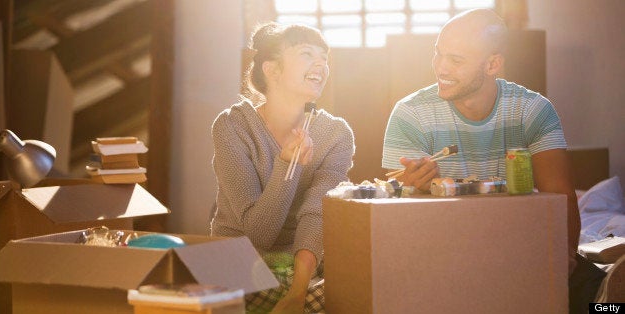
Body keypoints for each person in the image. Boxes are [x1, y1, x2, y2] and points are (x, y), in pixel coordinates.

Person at [382, 9, 604, 313]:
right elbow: (394, 214)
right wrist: (406, 191)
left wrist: (560, 264)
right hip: (444, 252)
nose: (440, 68)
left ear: (493, 64)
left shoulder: (533, 110)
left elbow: (561, 199)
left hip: (521, 248)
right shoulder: (410, 114)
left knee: (602, 297)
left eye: (456, 60)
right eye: (438, 54)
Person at [210, 22, 355, 314]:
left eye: (324, 57)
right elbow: (259, 233)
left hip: (304, 263)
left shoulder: (336, 134)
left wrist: (298, 292)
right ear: (272, 70)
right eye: (306, 54)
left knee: (359, 290)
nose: (320, 64)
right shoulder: (232, 126)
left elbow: (317, 213)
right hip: (238, 258)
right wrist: (287, 165)